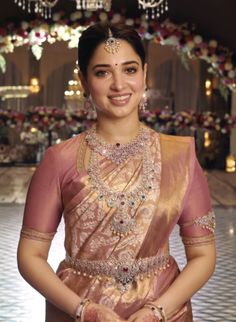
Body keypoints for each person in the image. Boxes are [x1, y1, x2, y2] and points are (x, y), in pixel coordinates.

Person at [17, 22, 216, 322]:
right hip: (77, 310)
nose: (119, 84)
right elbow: (30, 256)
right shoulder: (59, 160)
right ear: (84, 80)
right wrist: (84, 311)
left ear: (145, 74)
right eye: (102, 72)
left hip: (164, 309)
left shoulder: (181, 155)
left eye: (130, 69)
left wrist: (157, 311)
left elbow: (204, 256)